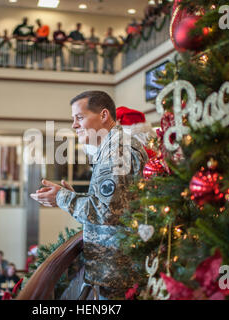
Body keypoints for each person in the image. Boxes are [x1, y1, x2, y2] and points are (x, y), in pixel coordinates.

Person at [30, 91, 148, 299]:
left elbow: (104, 213)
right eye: (73, 119)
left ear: (103, 115)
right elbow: (114, 208)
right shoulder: (113, 147)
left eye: (80, 117)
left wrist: (61, 197)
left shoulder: (116, 151)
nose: (74, 125)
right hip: (118, 272)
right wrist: (71, 197)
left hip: (118, 276)